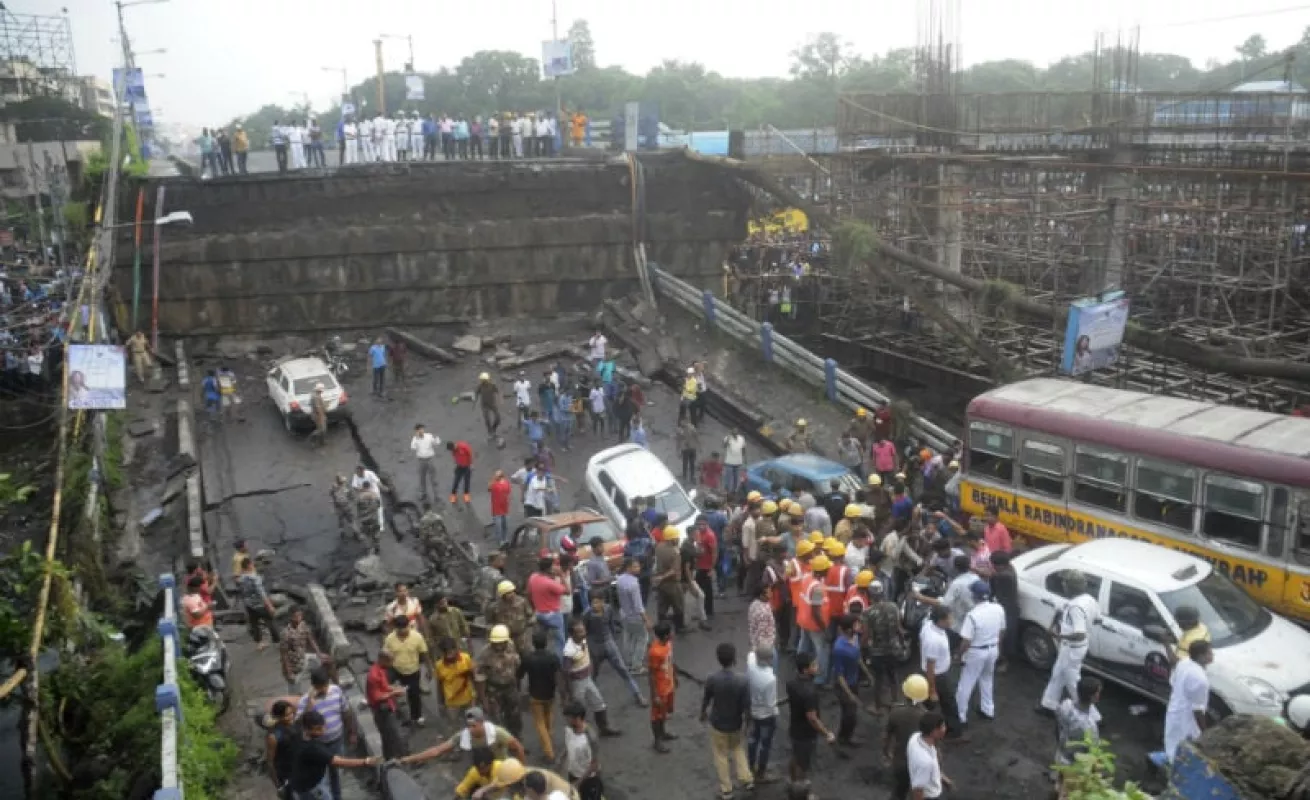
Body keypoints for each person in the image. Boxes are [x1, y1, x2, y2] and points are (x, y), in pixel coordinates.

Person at [1039, 570, 1100, 713]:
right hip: (1076, 647)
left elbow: (1079, 634)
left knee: (1073, 682)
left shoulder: (1075, 608)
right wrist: (1055, 622)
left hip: (1072, 648)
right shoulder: (1089, 599)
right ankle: (1048, 705)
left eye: (1065, 583)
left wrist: (1059, 636)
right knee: (1057, 674)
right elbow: (1097, 619)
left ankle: (1092, 714)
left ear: (1070, 586)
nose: (1063, 585)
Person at [287, 710, 380, 800]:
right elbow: (338, 762)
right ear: (307, 729)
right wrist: (365, 761)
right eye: (317, 729)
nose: (322, 731)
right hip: (312, 788)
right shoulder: (313, 748)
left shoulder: (299, 733)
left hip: (306, 782)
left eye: (322, 727)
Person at [296, 668, 359, 800]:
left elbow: (346, 712)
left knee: (336, 773)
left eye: (325, 685)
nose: (324, 689)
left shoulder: (336, 691)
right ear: (313, 686)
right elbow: (300, 725)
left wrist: (352, 732)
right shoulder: (305, 701)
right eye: (320, 687)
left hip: (336, 741)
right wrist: (310, 704)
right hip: (318, 747)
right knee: (322, 778)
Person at [701, 642, 754, 798]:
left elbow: (706, 698)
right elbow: (747, 707)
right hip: (735, 724)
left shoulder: (712, 678)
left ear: (718, 659)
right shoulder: (743, 681)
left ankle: (727, 789)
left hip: (718, 724)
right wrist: (748, 725)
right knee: (738, 749)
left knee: (721, 755)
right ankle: (747, 778)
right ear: (734, 659)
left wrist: (702, 712)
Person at [954, 581, 1006, 730]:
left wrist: (958, 655)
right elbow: (1002, 631)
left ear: (974, 596)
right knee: (987, 679)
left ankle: (960, 716)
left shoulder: (973, 615)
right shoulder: (998, 608)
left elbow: (966, 641)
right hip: (993, 649)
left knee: (966, 683)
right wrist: (998, 647)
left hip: (976, 651)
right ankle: (988, 710)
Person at [582, 593, 646, 706]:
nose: (594, 605)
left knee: (623, 671)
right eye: (592, 603)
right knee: (593, 674)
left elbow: (611, 625)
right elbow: (584, 632)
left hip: (609, 643)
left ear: (603, 602)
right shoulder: (586, 615)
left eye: (597, 602)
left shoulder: (608, 609)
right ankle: (588, 699)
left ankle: (638, 695)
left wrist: (613, 639)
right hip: (595, 647)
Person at [562, 619, 621, 736]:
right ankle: (580, 733)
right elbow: (566, 672)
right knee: (579, 710)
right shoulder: (569, 650)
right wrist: (568, 691)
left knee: (599, 702)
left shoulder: (582, 640)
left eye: (583, 631)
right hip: (577, 682)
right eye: (579, 632)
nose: (583, 634)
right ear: (572, 634)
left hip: (587, 678)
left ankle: (603, 728)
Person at [786, 651, 834, 782]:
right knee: (804, 765)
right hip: (805, 734)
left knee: (796, 757)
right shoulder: (809, 692)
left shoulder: (791, 683)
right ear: (806, 669)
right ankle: (800, 791)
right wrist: (827, 733)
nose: (817, 666)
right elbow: (812, 718)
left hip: (795, 729)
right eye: (814, 665)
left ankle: (792, 782)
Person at [1163, 640, 1214, 761]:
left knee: (1172, 741)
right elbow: (1197, 710)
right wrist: (1204, 732)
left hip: (1174, 710)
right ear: (1201, 656)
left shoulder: (1185, 662)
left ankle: (1172, 761)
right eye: (1209, 653)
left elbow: (1174, 673)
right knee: (1185, 746)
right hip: (1187, 718)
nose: (1212, 655)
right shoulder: (1200, 679)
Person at [920, 605, 963, 740]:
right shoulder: (934, 640)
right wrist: (932, 689)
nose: (952, 620)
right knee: (949, 704)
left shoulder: (929, 625)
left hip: (935, 674)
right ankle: (954, 732)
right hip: (937, 676)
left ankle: (923, 724)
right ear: (940, 620)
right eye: (949, 618)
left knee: (926, 703)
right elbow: (930, 666)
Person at [883, 675, 929, 799]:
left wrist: (887, 753)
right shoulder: (927, 718)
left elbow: (887, 738)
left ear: (905, 693)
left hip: (901, 762)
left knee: (898, 793)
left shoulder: (896, 712)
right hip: (919, 764)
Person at [519, 630, 562, 761]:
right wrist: (564, 693)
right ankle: (549, 739)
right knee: (549, 715)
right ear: (546, 643)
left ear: (533, 643)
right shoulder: (553, 657)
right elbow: (559, 676)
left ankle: (549, 752)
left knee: (539, 723)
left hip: (535, 695)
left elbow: (520, 674)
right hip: (550, 694)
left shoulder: (528, 658)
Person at [1053, 677, 1102, 788]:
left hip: (1060, 753)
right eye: (1098, 692)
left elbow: (1057, 726)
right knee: (1066, 792)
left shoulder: (1066, 705)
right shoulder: (1090, 726)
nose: (1099, 695)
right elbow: (1092, 753)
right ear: (1092, 696)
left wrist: (1060, 744)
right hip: (1074, 765)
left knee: (1058, 784)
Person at [477, 624, 524, 738]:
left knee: (515, 717)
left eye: (501, 642)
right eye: (496, 643)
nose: (498, 645)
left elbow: (517, 663)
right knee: (497, 720)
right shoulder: (485, 654)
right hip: (494, 690)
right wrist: (484, 700)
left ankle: (516, 741)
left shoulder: (511, 646)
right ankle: (501, 745)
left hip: (511, 687)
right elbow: (480, 678)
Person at [383, 615, 432, 726]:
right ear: (395, 628)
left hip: (412, 671)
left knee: (414, 695)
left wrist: (429, 668)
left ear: (408, 626)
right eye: (399, 628)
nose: (402, 631)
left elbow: (424, 653)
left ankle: (417, 716)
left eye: (404, 628)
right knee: (384, 686)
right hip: (395, 669)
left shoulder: (417, 637)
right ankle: (394, 710)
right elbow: (385, 655)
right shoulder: (390, 639)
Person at [745, 645, 779, 784]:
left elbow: (751, 654)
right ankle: (761, 772)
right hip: (766, 715)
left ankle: (751, 765)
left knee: (753, 740)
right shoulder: (770, 679)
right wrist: (776, 711)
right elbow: (771, 704)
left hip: (752, 710)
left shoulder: (751, 663)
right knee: (765, 744)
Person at [366, 650, 408, 759]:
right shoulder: (373, 676)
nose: (391, 665)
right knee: (395, 734)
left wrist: (395, 688)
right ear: (383, 660)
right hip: (381, 710)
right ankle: (406, 758)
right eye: (390, 662)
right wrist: (394, 693)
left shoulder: (381, 670)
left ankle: (389, 758)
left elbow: (385, 687)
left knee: (387, 737)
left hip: (387, 705)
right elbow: (377, 697)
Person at [831, 614, 864, 746]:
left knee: (852, 713)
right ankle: (842, 738)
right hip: (844, 686)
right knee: (849, 714)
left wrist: (866, 673)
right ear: (849, 629)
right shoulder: (839, 648)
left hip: (854, 681)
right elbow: (839, 675)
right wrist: (850, 694)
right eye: (856, 625)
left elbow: (858, 658)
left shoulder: (855, 638)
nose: (859, 626)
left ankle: (846, 737)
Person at [560, 702, 603, 800]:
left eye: (569, 717)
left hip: (588, 779)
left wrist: (578, 782)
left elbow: (594, 765)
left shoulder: (591, 738)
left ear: (578, 718)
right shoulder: (568, 729)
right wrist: (561, 758)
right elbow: (568, 745)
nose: (566, 720)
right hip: (573, 774)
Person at [647, 621, 679, 753]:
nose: (672, 634)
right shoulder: (655, 652)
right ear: (666, 636)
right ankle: (657, 741)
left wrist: (675, 677)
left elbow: (671, 662)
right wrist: (654, 695)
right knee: (657, 715)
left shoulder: (668, 645)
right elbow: (651, 675)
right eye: (670, 633)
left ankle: (663, 733)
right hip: (660, 689)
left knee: (664, 712)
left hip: (669, 684)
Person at [615, 558, 650, 675]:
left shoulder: (619, 579)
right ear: (628, 567)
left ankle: (628, 662)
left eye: (638, 566)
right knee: (642, 638)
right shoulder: (633, 584)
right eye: (635, 566)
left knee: (628, 638)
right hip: (634, 617)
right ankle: (636, 666)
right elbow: (638, 605)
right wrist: (646, 620)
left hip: (624, 614)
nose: (638, 568)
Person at [907, 711, 952, 799]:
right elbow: (918, 790)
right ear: (934, 731)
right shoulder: (925, 762)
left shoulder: (915, 737)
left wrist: (942, 777)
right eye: (942, 726)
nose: (945, 728)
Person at [237, 556, 280, 648]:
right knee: (270, 621)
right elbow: (262, 593)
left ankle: (259, 643)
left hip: (249, 605)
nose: (253, 566)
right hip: (260, 604)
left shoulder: (241, 579)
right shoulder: (254, 578)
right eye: (252, 564)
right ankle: (277, 641)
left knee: (254, 623)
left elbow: (242, 592)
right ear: (249, 565)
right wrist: (270, 606)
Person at [281, 606, 324, 694]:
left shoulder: (303, 625)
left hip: (303, 657)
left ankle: (320, 685)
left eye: (300, 616)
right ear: (291, 617)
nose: (299, 618)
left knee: (325, 661)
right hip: (294, 666)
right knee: (294, 693)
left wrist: (319, 653)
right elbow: (284, 655)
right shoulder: (286, 634)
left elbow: (310, 639)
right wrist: (289, 673)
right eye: (296, 616)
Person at [265, 699, 301, 797]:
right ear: (278, 717)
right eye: (286, 715)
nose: (290, 717)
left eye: (291, 713)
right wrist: (278, 786)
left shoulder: (296, 725)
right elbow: (270, 762)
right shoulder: (274, 736)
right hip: (286, 774)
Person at [435, 636, 477, 719]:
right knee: (454, 725)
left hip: (468, 699)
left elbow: (473, 676)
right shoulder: (439, 665)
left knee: (472, 722)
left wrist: (475, 694)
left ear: (456, 649)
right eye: (446, 653)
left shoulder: (466, 658)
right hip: (452, 702)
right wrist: (440, 703)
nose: (449, 656)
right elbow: (439, 685)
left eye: (451, 651)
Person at [411, 423, 441, 504]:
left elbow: (437, 443)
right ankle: (423, 493)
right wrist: (417, 438)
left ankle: (437, 495)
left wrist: (436, 438)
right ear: (416, 431)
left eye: (422, 429)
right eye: (419, 430)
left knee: (433, 478)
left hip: (430, 459)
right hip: (421, 460)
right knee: (422, 478)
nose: (421, 431)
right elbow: (413, 447)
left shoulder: (429, 436)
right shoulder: (415, 439)